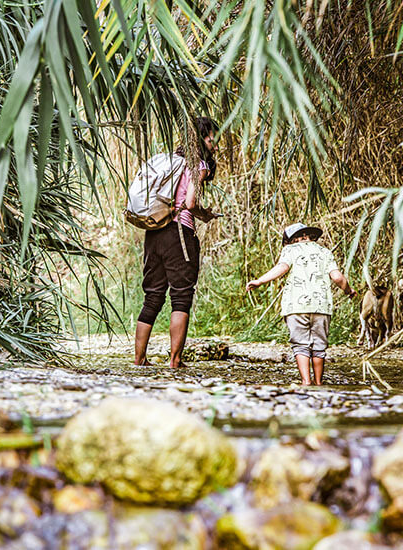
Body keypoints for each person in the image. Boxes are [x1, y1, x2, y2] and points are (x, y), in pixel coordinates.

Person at [134, 117, 220, 368]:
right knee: (181, 297)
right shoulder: (198, 164)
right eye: (211, 137)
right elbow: (190, 203)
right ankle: (175, 361)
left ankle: (139, 360)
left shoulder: (171, 160)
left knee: (152, 296)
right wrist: (205, 214)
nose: (214, 142)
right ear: (202, 138)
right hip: (179, 233)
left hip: (155, 232)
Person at [245, 223, 356, 385]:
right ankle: (318, 382)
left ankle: (306, 381)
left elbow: (281, 268)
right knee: (319, 346)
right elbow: (338, 278)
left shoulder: (290, 250)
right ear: (310, 237)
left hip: (295, 306)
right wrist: (349, 290)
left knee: (300, 344)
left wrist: (260, 280)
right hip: (321, 306)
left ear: (291, 240)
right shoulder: (324, 252)